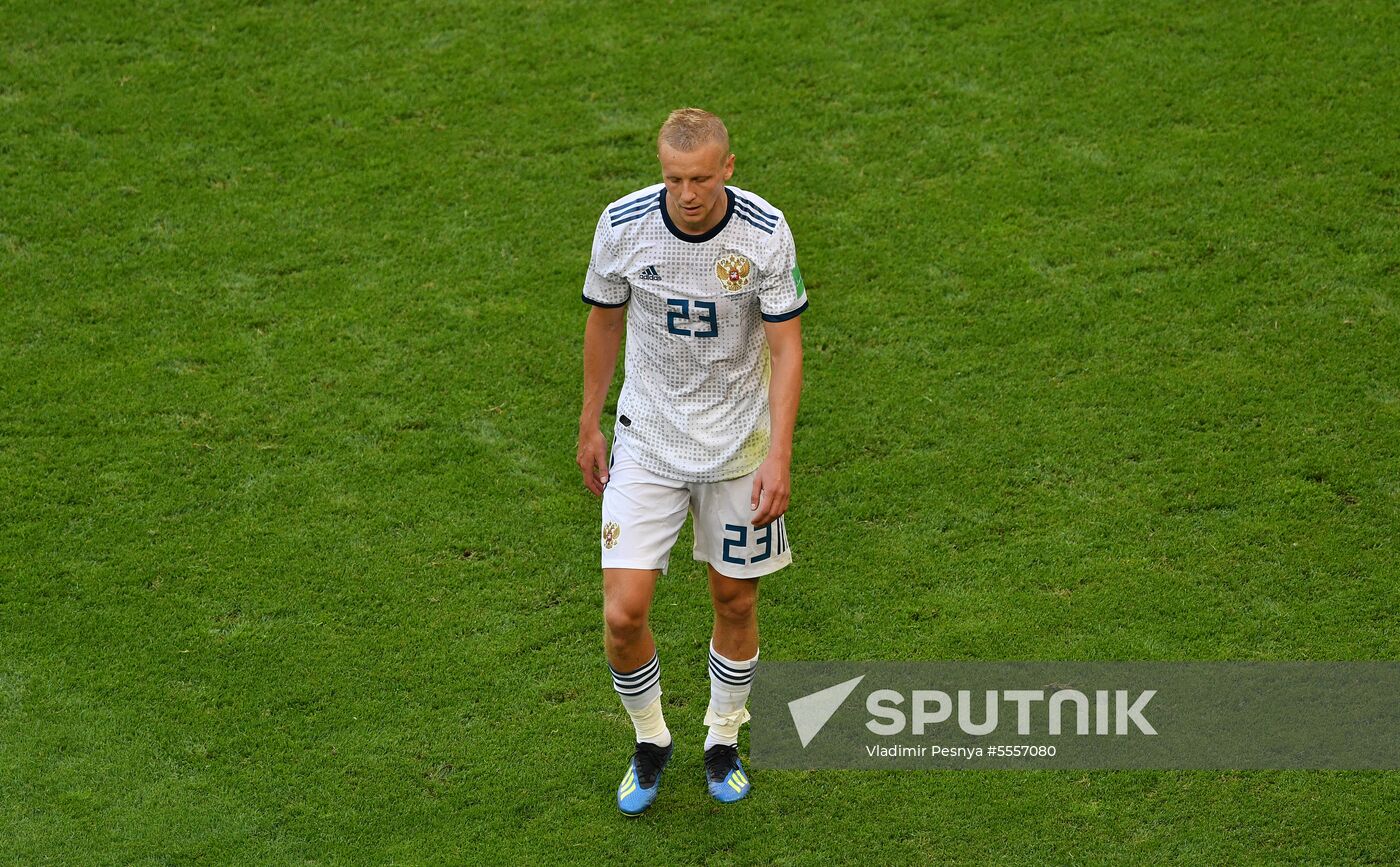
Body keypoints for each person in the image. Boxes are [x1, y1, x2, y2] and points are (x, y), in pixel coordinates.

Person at [576, 108, 807, 815]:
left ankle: (722, 736)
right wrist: (589, 417)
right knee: (624, 612)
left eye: (701, 178)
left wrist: (780, 454)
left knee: (735, 599)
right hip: (647, 439)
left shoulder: (764, 234)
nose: (687, 193)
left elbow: (787, 348)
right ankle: (650, 739)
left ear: (727, 169)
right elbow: (604, 318)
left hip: (739, 447)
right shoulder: (623, 224)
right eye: (675, 178)